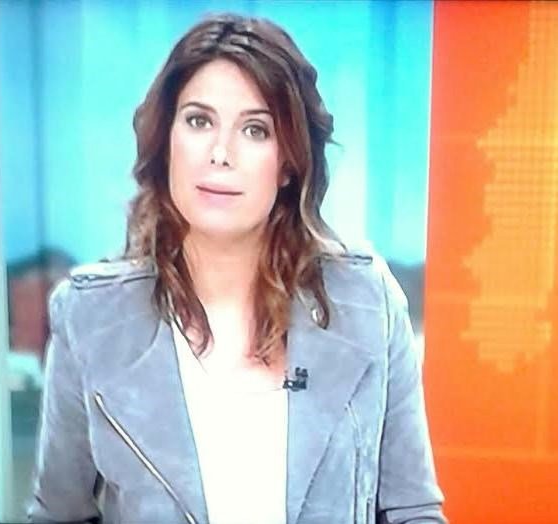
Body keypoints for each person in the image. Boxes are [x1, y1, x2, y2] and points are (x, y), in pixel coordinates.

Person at [28, 12, 447, 524]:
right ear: (166, 141)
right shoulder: (91, 318)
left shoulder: (366, 303)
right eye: (199, 121)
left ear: (289, 162)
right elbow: (59, 514)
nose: (221, 154)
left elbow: (411, 511)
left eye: (255, 129)